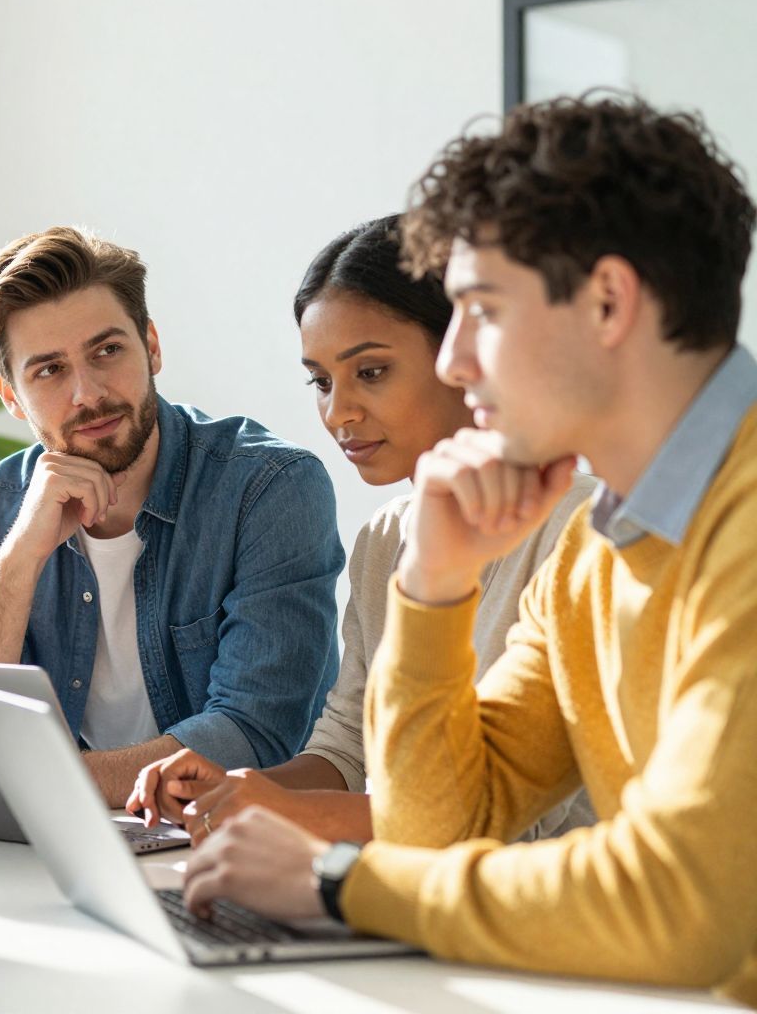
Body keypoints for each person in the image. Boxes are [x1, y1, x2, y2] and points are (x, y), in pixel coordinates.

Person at [177, 96, 757, 1005]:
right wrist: (434, 581)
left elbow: (686, 905)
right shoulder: (593, 554)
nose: (453, 362)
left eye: (481, 311)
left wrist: (339, 883)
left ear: (609, 302)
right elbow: (441, 824)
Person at [127, 215, 597, 843]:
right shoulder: (385, 540)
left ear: (461, 355)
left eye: (370, 372)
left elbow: (513, 826)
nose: (337, 412)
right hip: (404, 884)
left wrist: (286, 812)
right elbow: (348, 747)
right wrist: (237, 788)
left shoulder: (583, 530)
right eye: (321, 381)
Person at [0, 225, 344, 804]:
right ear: (11, 396)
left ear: (151, 346)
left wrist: (41, 783)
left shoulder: (268, 487)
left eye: (107, 351)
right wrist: (21, 553)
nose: (88, 393)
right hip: (65, 829)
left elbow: (254, 733)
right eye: (49, 370)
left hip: (233, 832)